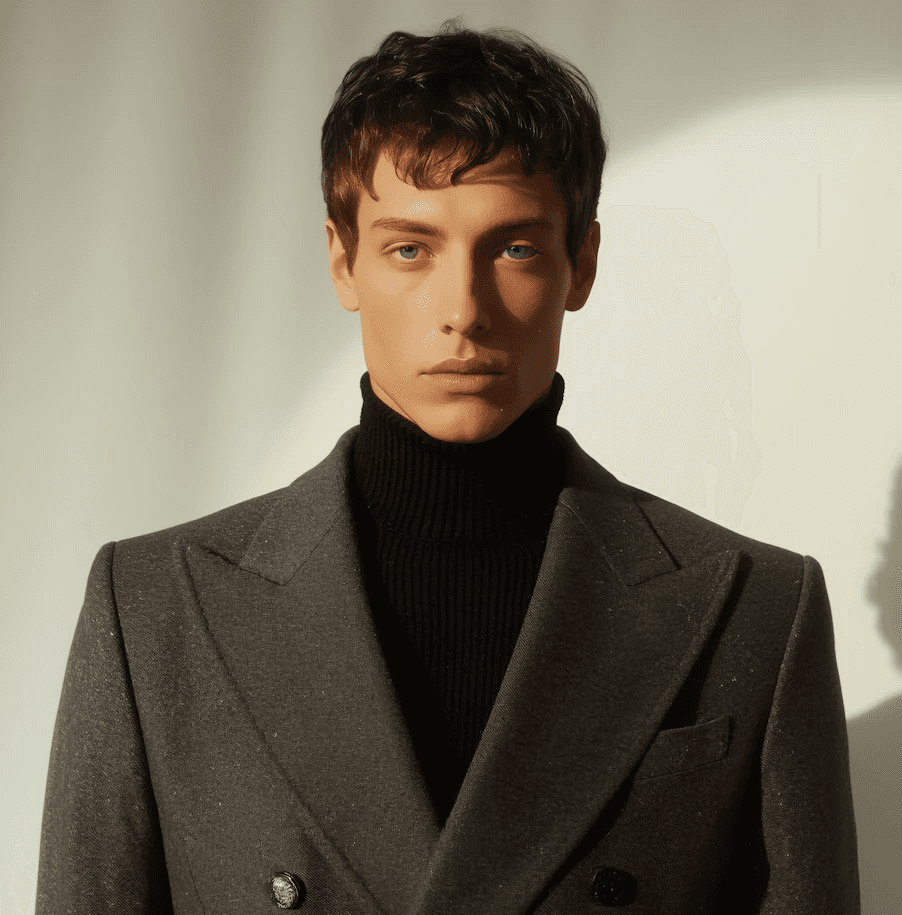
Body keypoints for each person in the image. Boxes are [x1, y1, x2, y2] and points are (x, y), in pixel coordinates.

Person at [36, 20, 859, 915]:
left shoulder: (757, 612)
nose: (463, 308)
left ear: (581, 263)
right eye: (410, 249)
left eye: (514, 247)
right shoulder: (153, 610)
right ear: (342, 261)